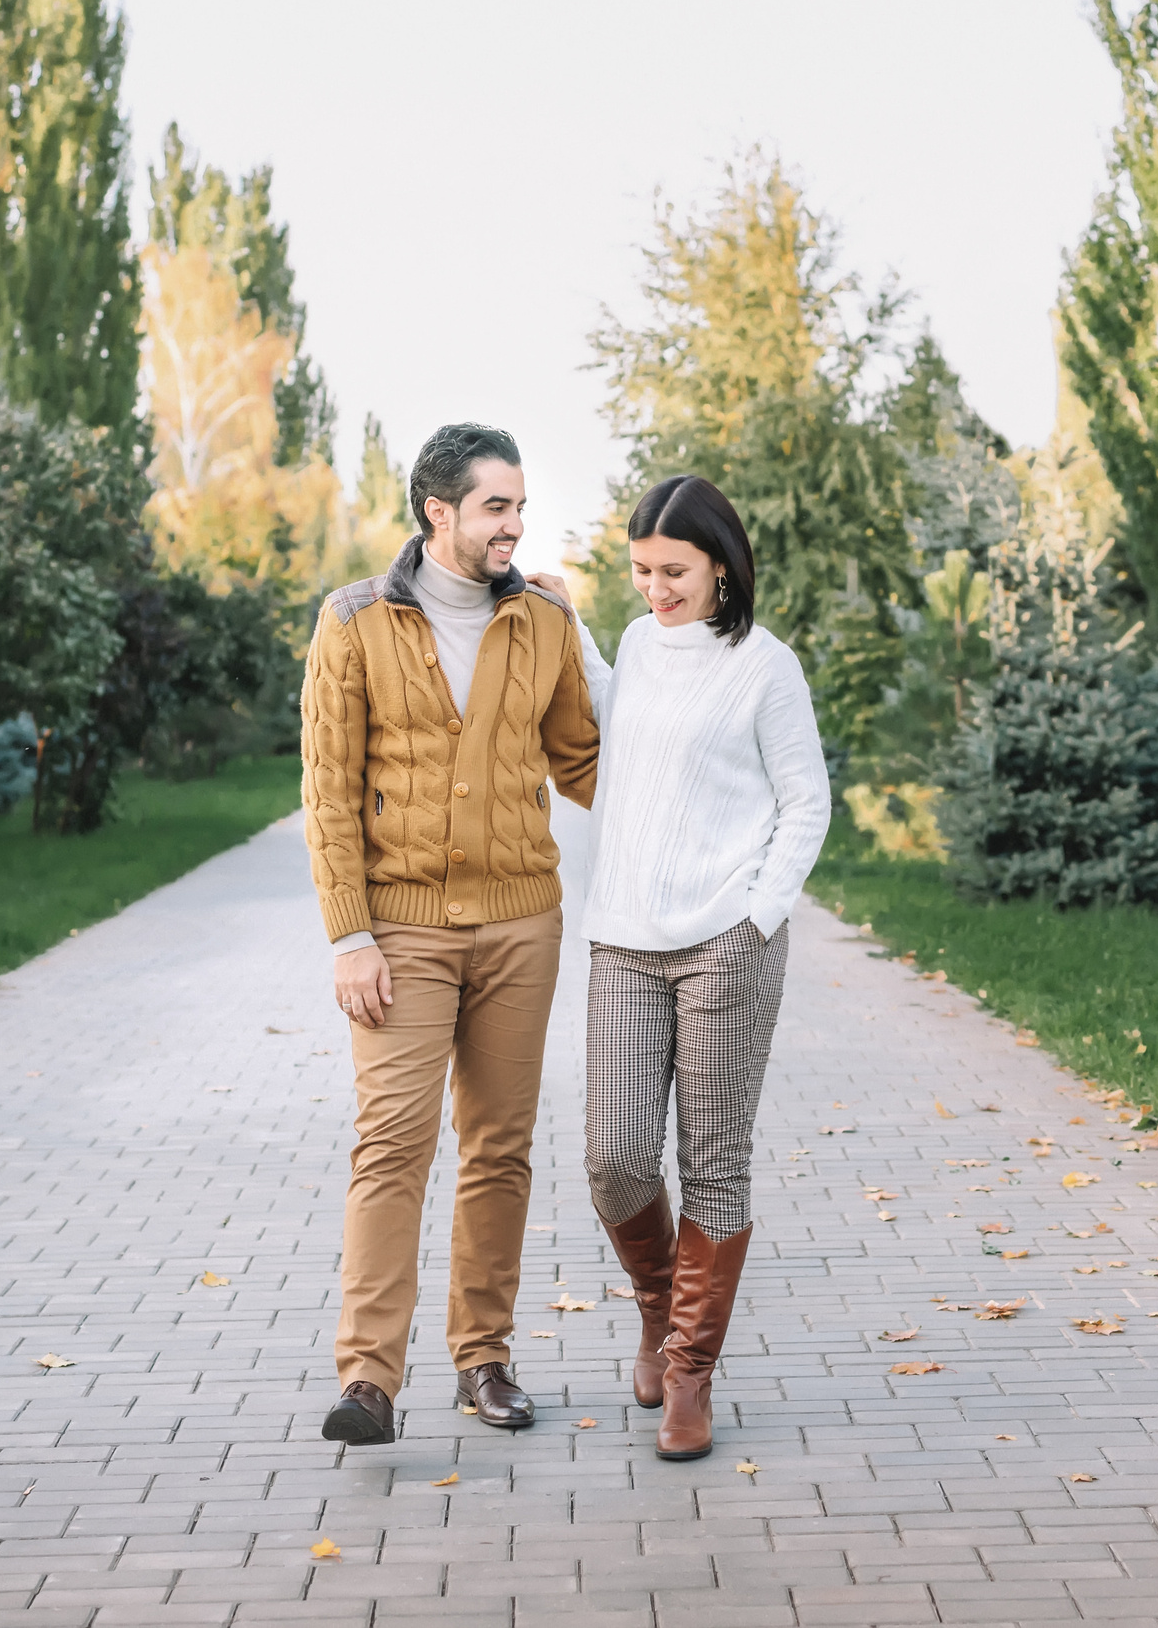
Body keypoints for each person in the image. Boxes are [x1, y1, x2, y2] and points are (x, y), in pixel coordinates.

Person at [300, 422, 600, 1445]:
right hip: (401, 931)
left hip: (522, 922)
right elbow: (329, 794)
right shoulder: (353, 621)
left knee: (499, 1147)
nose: (516, 524)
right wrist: (351, 935)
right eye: (497, 507)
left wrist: (707, 787)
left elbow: (584, 762)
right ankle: (368, 1378)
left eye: (519, 505)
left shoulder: (543, 623)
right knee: (391, 1141)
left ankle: (484, 1359)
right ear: (439, 512)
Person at [570, 474, 829, 1462]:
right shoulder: (638, 644)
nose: (653, 588)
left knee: (712, 1162)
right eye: (639, 570)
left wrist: (758, 915)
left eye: (672, 570)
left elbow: (804, 801)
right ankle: (655, 1305)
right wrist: (572, 626)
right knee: (614, 1153)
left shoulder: (766, 668)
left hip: (727, 938)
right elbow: (619, 716)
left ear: (721, 564)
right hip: (624, 936)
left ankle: (688, 1368)